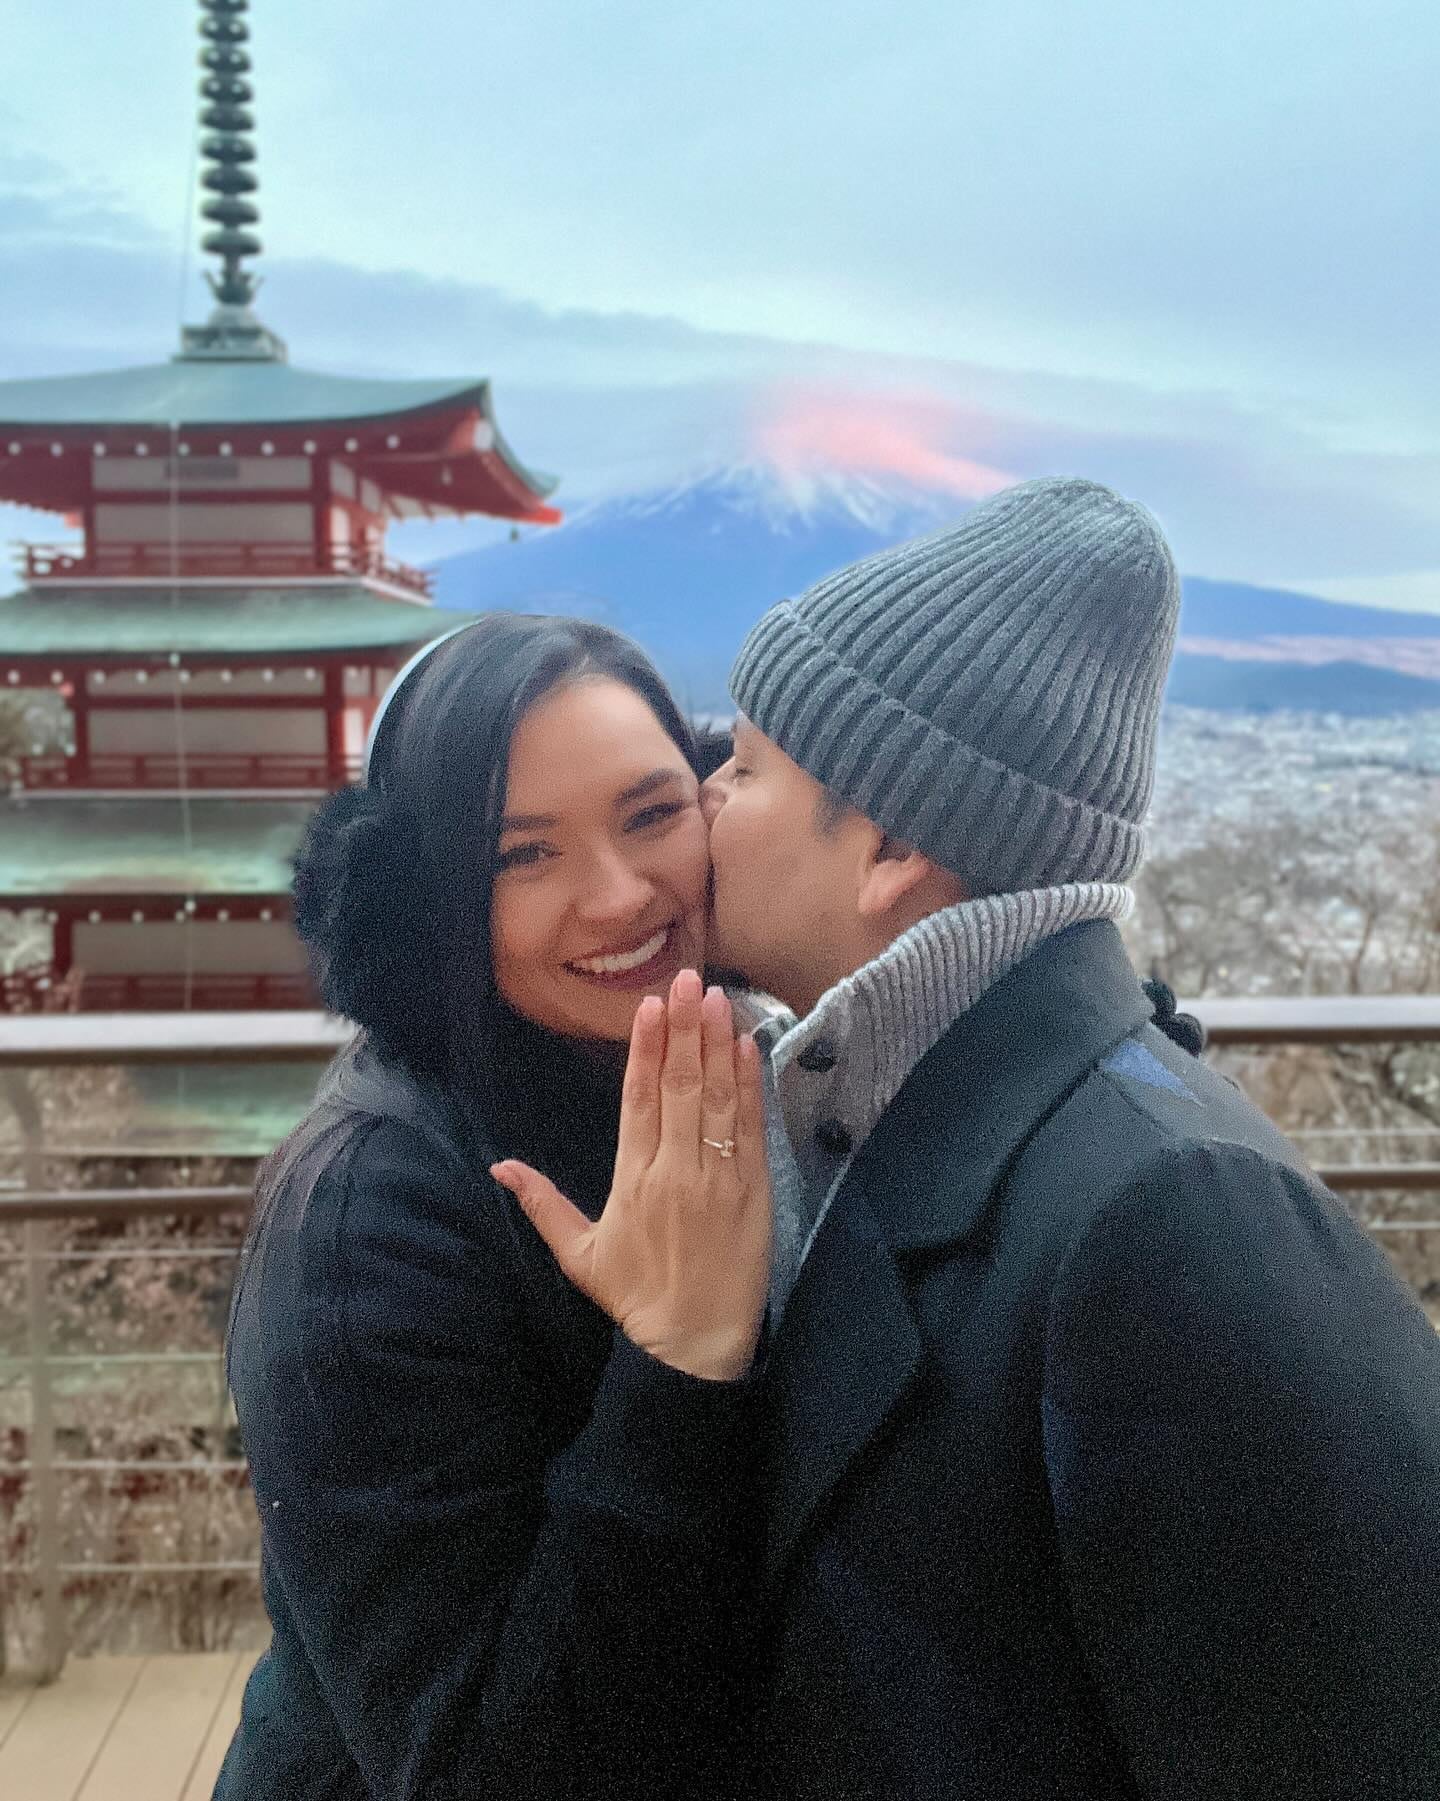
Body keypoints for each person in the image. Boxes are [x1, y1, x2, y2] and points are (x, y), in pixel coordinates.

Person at [511, 477, 1440, 1799]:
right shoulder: (881, 1123)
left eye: (752, 767)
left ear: (887, 847)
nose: (706, 798)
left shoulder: (1179, 1225)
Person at [215, 614, 771, 1801]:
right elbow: (480, 1765)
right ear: (425, 905)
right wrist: (677, 1365)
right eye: (523, 856)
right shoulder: (368, 1226)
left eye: (652, 815)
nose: (619, 897)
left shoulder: (713, 1071)